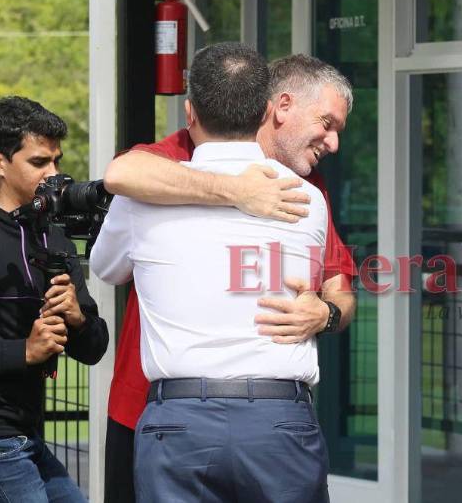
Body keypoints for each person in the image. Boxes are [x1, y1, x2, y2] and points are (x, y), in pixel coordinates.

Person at [100, 54, 356, 502]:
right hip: (148, 404)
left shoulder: (307, 191)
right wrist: (237, 192)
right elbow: (120, 174)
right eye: (327, 123)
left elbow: (339, 288)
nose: (333, 143)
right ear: (276, 107)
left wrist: (328, 313)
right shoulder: (173, 157)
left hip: (194, 417)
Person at [0, 97, 109, 502]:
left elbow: (95, 348)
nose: (54, 175)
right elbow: (25, 351)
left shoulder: (55, 236)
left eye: (57, 161)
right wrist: (22, 352)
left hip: (25, 436)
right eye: (39, 163)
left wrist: (78, 319)